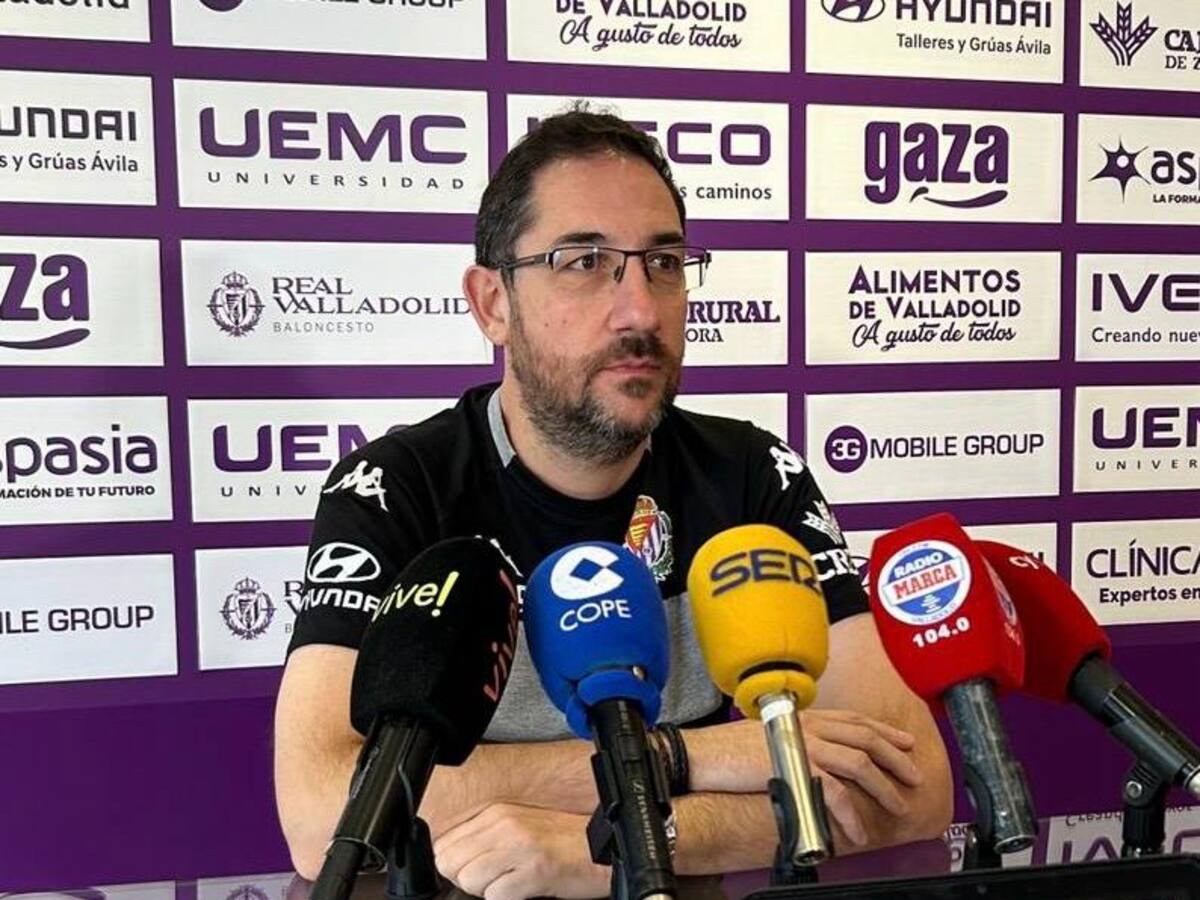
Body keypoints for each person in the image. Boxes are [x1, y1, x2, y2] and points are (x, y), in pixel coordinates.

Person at [273, 106, 953, 900]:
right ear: (493, 303)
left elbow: (908, 789)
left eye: (663, 263)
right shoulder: (397, 487)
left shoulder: (752, 475)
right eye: (584, 260)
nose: (638, 309)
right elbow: (324, 816)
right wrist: (695, 759)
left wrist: (614, 843)